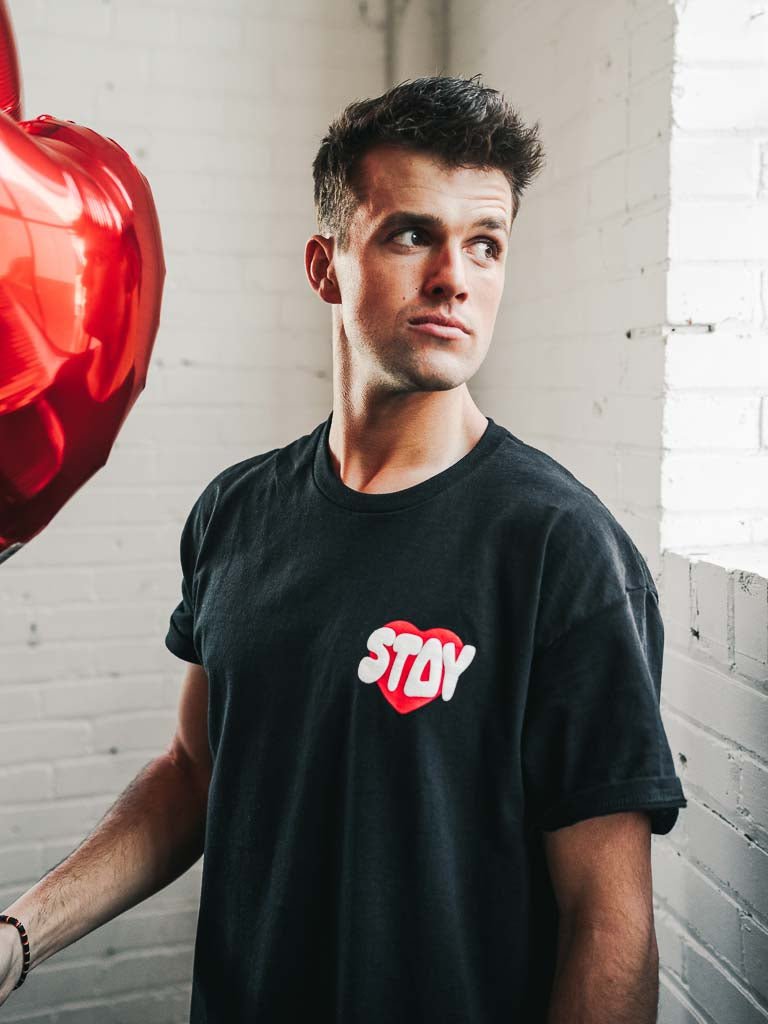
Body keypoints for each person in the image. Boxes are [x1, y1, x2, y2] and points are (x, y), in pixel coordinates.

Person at [0, 73, 687, 1022]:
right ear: (325, 266)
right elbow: (196, 774)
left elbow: (608, 923)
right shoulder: (235, 512)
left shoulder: (564, 552)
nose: (455, 278)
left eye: (485, 244)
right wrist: (19, 936)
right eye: (412, 234)